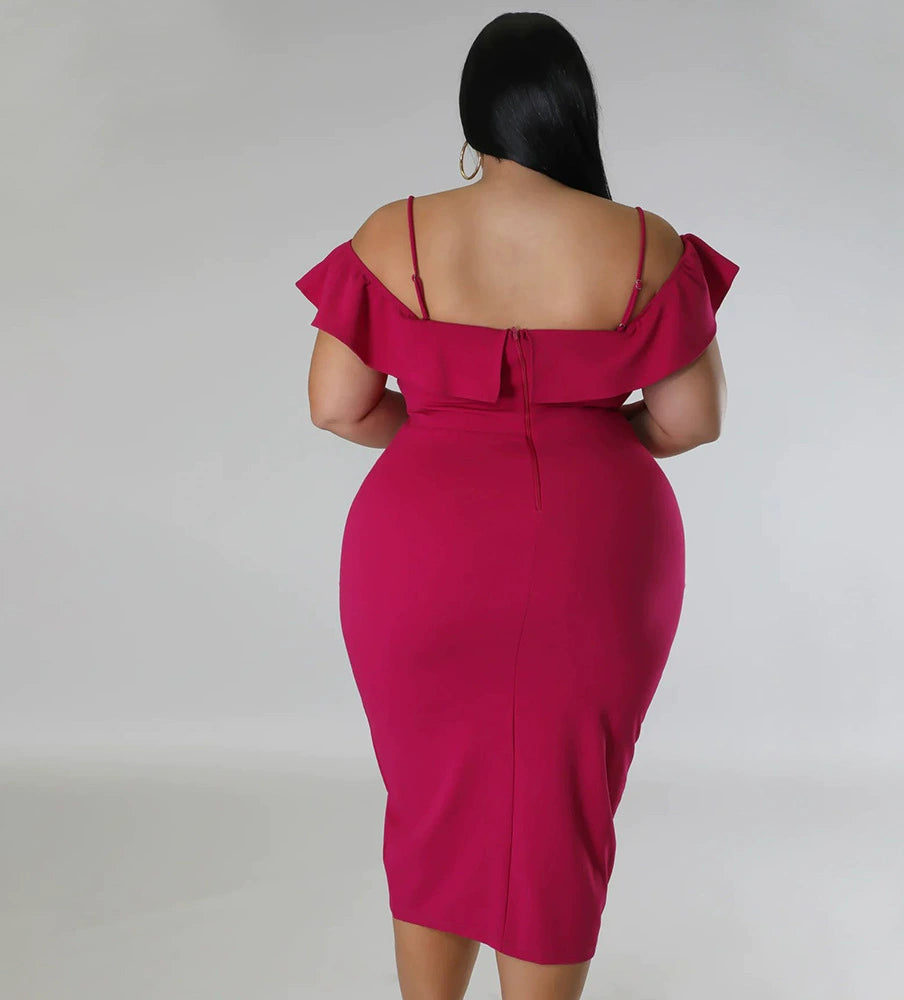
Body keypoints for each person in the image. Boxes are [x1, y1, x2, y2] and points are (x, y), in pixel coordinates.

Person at [294, 12, 738, 1000]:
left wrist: (447, 431)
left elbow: (336, 405)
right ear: (571, 110)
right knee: (558, 806)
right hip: (598, 547)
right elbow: (690, 420)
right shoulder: (645, 244)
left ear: (473, 117)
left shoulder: (394, 233)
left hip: (420, 547)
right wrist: (585, 437)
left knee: (431, 797)